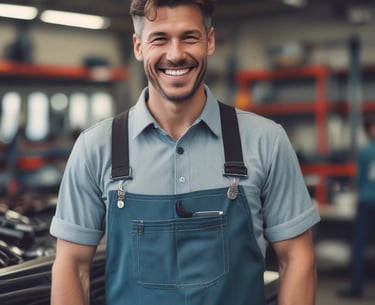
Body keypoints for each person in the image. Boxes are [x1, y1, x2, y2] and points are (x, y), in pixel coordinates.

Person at [50, 1, 320, 305]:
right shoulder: (95, 148)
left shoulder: (266, 141)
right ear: (139, 47)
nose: (176, 54)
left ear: (210, 41)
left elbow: (297, 257)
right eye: (160, 39)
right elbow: (72, 265)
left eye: (189, 37)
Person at [338, 115, 375, 298]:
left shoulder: (365, 151)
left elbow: (359, 181)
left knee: (359, 244)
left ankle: (356, 286)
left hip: (367, 201)